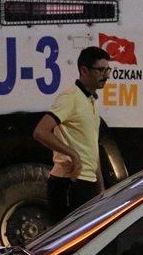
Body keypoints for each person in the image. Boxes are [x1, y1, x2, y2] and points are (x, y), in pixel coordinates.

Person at [32, 46, 110, 221]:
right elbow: (41, 132)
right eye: (100, 70)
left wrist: (100, 186)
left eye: (107, 70)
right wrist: (73, 154)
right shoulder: (70, 97)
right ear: (84, 70)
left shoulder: (90, 100)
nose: (106, 76)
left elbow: (91, 147)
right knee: (69, 237)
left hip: (87, 182)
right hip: (70, 181)